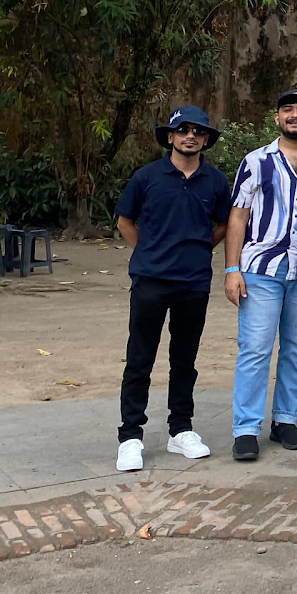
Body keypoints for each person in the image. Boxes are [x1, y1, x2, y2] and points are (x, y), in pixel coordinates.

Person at [113, 106, 231, 472]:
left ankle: (181, 430)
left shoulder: (215, 181)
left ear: (206, 139)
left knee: (184, 361)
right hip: (150, 281)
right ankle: (130, 436)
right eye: (183, 130)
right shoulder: (147, 177)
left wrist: (197, 249)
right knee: (139, 360)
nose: (190, 136)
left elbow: (226, 224)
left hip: (193, 283)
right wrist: (149, 252)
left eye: (198, 131)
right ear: (170, 137)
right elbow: (125, 220)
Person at [223, 90, 297, 461]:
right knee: (255, 348)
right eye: (287, 109)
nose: (295, 115)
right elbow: (237, 216)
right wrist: (231, 269)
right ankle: (245, 428)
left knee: (296, 348)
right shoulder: (257, 162)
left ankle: (285, 420)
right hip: (261, 269)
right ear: (276, 118)